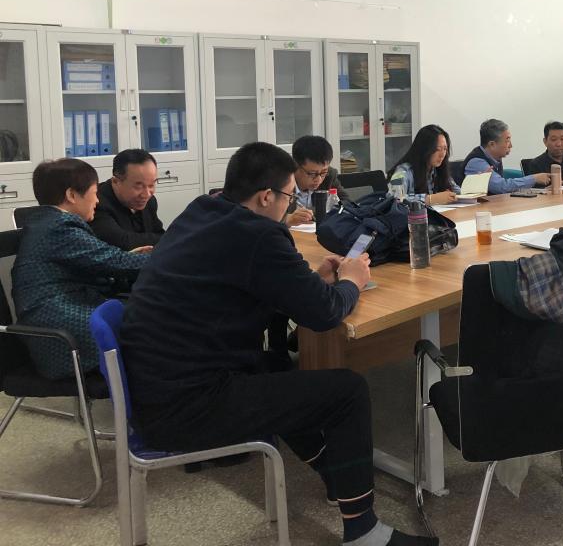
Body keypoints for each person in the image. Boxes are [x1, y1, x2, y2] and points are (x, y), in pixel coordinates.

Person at [119, 142, 436, 546]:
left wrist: (311, 282)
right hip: (186, 406)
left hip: (154, 388)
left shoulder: (203, 209)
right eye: (289, 196)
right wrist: (352, 281)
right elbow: (324, 314)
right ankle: (364, 530)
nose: (291, 204)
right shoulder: (259, 235)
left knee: (279, 368)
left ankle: (338, 477)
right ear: (266, 196)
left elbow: (240, 284)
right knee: (348, 390)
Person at [12, 158, 149, 380]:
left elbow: (101, 263)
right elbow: (114, 260)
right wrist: (169, 258)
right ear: (72, 195)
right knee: (153, 323)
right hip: (61, 334)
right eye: (94, 193)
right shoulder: (59, 227)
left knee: (148, 314)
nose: (97, 200)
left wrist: (132, 259)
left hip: (61, 319)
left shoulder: (47, 222)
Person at [90, 148, 165, 250]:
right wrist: (164, 239)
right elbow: (122, 242)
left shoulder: (150, 200)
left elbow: (161, 234)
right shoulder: (96, 202)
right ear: (116, 181)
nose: (147, 194)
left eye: (151, 185)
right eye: (138, 186)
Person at [462, 118, 551, 194]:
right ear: (492, 144)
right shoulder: (477, 163)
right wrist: (534, 179)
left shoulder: (495, 158)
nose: (511, 145)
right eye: (507, 141)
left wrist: (541, 190)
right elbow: (502, 187)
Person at [387, 124, 461, 205]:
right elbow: (394, 198)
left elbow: (457, 191)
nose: (442, 154)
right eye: (437, 149)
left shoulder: (437, 168)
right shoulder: (402, 171)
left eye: (445, 149)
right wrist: (430, 199)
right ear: (424, 149)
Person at [285, 135, 348, 227]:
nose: (319, 179)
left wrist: (317, 213)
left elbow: (346, 202)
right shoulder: (281, 180)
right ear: (296, 166)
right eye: (312, 173)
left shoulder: (329, 176)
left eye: (323, 172)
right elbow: (267, 217)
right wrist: (287, 219)